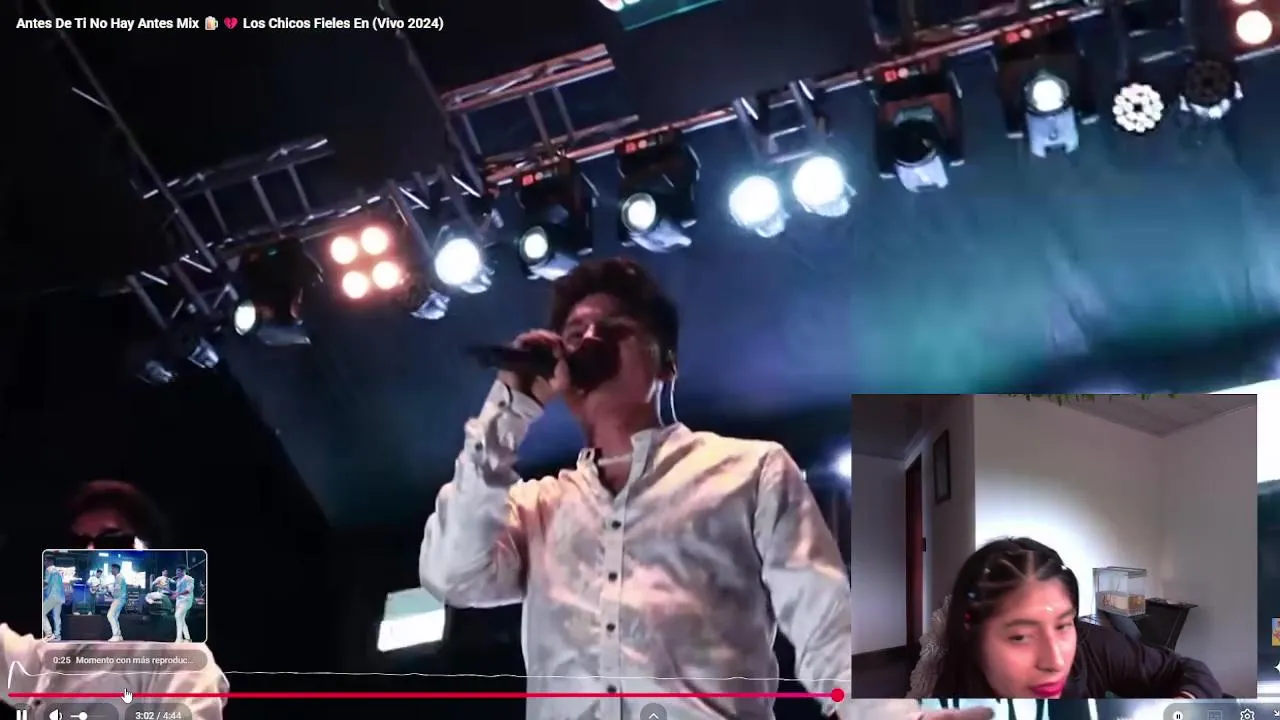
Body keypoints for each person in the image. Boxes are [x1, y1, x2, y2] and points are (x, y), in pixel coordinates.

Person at [421, 258, 852, 720]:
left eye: (615, 330)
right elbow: (452, 576)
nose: (591, 342)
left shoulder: (750, 471)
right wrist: (508, 411)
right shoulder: (537, 508)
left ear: (666, 362)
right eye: (575, 335)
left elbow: (829, 628)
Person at [1, 480, 227, 718]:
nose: (90, 552)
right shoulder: (60, 651)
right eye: (79, 543)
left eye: (111, 540)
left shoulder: (181, 659)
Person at [907, 537, 1222, 699]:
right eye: (1021, 636)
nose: (1056, 661)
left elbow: (1186, 669)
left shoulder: (1090, 644)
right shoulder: (951, 698)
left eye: (1062, 625)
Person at [40, 560, 64, 641]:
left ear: (49, 562)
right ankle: (57, 635)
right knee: (56, 616)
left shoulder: (49, 569)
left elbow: (45, 583)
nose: (44, 563)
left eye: (45, 561)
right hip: (60, 597)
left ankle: (49, 634)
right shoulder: (58, 572)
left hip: (53, 596)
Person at [105, 563, 126, 642]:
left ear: (116, 569)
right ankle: (119, 635)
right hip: (120, 599)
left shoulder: (119, 577)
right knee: (115, 617)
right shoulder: (120, 577)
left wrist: (110, 592)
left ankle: (116, 635)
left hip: (119, 599)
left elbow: (117, 592)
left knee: (110, 615)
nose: (111, 570)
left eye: (112, 569)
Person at [173, 565, 194, 643]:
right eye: (176, 571)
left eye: (178, 570)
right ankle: (188, 638)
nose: (177, 572)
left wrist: (177, 594)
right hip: (179, 602)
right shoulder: (178, 580)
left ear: (183, 571)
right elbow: (177, 592)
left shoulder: (189, 579)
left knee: (177, 615)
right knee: (181, 619)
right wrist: (166, 589)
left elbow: (188, 590)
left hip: (186, 601)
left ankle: (179, 638)